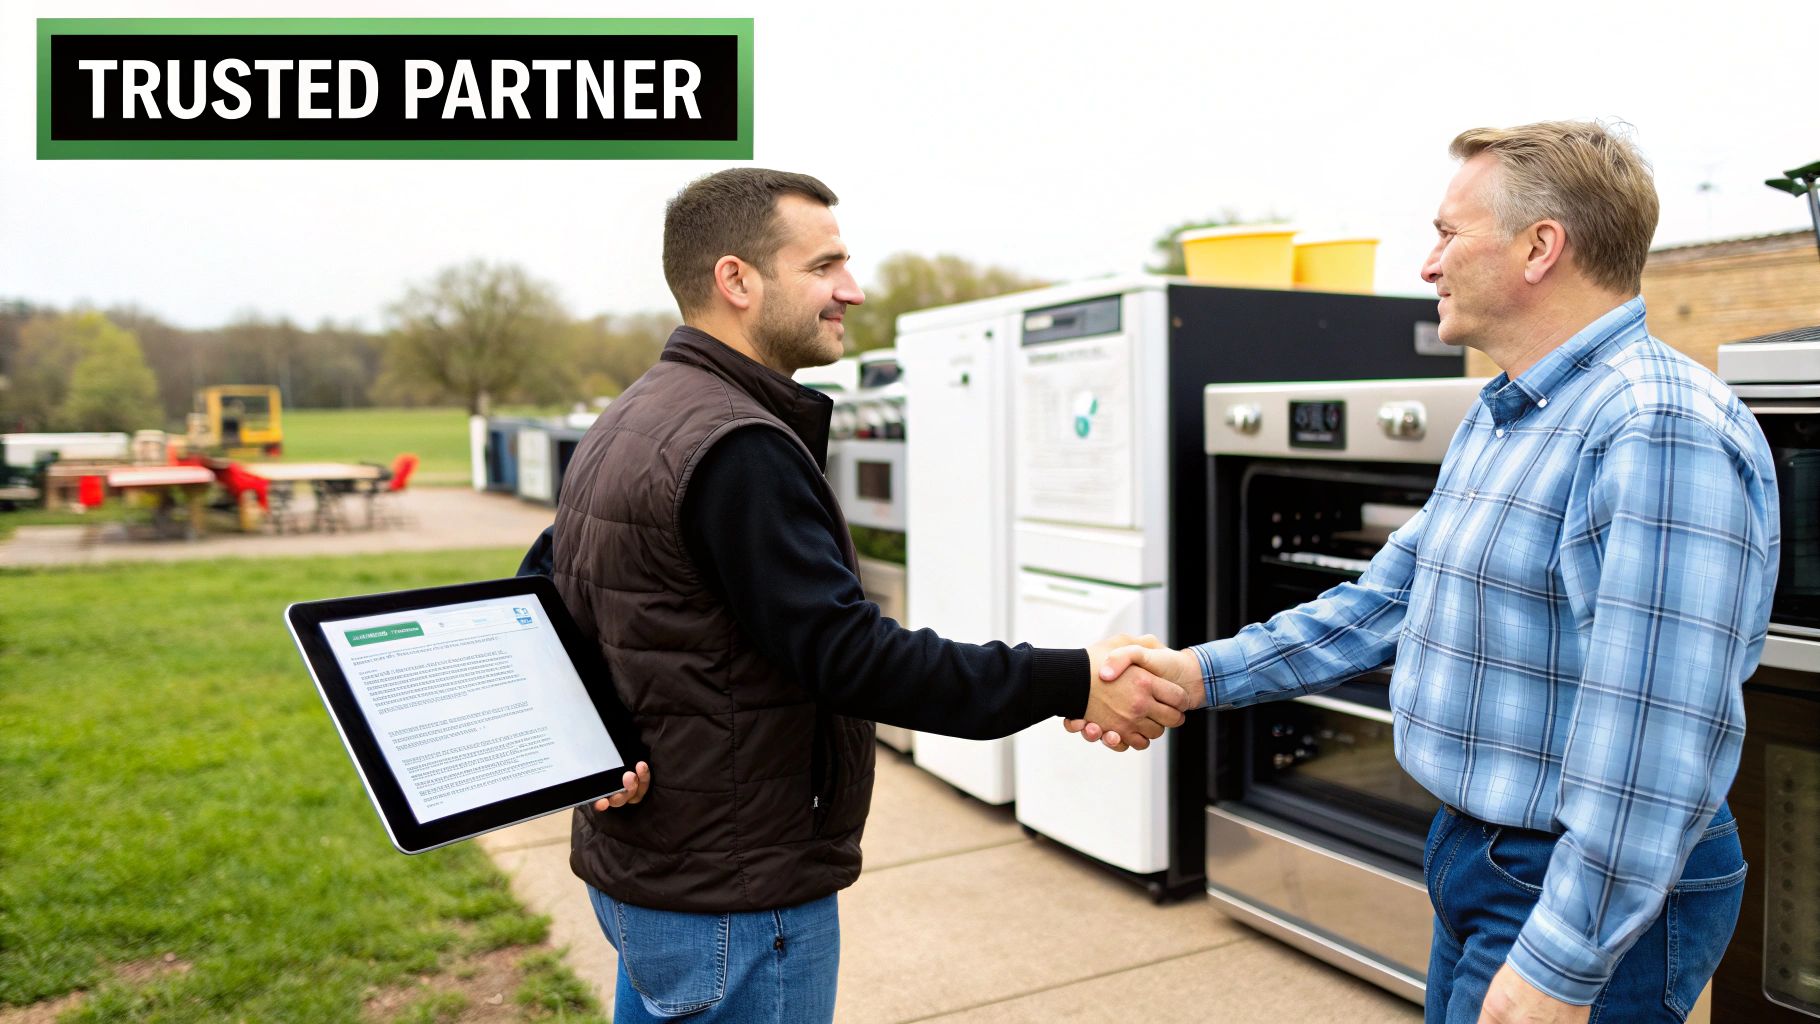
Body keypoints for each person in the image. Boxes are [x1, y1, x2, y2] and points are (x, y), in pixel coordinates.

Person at [1083, 121, 1779, 1023]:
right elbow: (1390, 599)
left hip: (1579, 885)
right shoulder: (1507, 414)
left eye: (1449, 233)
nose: (1427, 263)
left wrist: (1563, 964)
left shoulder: (1655, 426)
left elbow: (1655, 742)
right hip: (1478, 858)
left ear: (1540, 247)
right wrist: (1199, 673)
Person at [549, 167, 1191, 1023]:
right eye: (824, 266)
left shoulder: (633, 417)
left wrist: (595, 744)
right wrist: (1074, 679)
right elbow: (853, 659)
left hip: (655, 876)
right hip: (737, 898)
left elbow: (551, 596)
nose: (852, 289)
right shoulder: (735, 445)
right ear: (736, 280)